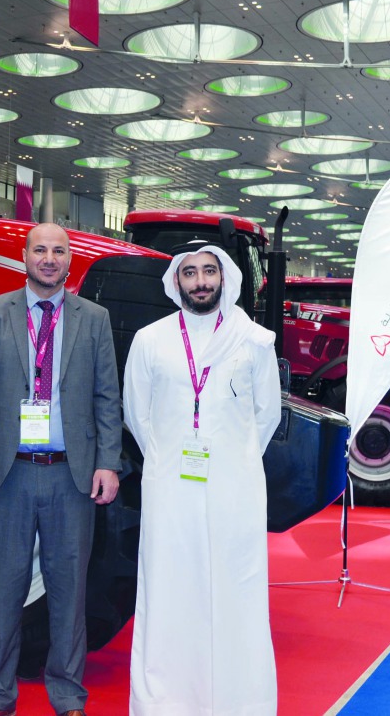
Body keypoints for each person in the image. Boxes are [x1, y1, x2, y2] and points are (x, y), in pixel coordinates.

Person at [0, 222, 122, 716]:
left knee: (69, 592)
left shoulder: (94, 318)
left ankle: (68, 695)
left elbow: (106, 398)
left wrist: (109, 464)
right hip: (8, 474)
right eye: (40, 250)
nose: (49, 258)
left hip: (71, 476)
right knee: (4, 590)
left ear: (69, 260)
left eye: (58, 251)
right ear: (24, 255)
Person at [123, 245, 282, 716]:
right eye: (190, 273)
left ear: (225, 279)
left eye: (209, 272)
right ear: (177, 283)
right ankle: (167, 700)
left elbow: (267, 415)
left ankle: (241, 700)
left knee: (237, 587)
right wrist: (167, 460)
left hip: (235, 487)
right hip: (170, 484)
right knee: (169, 587)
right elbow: (137, 412)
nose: (200, 282)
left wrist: (234, 462)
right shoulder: (151, 339)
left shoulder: (254, 340)